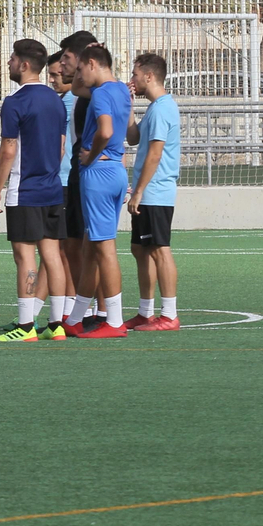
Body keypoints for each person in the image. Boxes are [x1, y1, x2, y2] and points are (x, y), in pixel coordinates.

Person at [0, 39, 70, 343]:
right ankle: (57, 324)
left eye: (12, 59)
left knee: (24, 257)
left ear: (23, 65)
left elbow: (8, 149)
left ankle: (25, 327)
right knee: (52, 256)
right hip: (52, 188)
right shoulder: (56, 100)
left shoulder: (15, 102)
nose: (8, 63)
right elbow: (61, 147)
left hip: (24, 191)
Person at [68, 43, 132, 338]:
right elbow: (75, 88)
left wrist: (91, 155)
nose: (77, 74)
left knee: (104, 249)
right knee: (91, 248)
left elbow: (105, 131)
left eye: (81, 67)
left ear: (92, 64)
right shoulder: (119, 90)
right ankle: (75, 318)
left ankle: (115, 321)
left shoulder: (103, 93)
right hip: (116, 171)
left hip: (99, 174)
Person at [125, 53, 181, 332]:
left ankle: (169, 315)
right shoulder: (155, 108)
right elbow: (133, 138)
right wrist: (128, 106)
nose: (132, 79)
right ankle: (145, 312)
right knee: (140, 249)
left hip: (155, 192)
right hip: (148, 192)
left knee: (159, 249)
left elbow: (155, 155)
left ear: (149, 76)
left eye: (135, 74)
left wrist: (139, 191)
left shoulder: (162, 109)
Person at [55, 30, 98, 324]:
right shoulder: (79, 93)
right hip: (75, 174)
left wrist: (92, 157)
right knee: (71, 244)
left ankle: (104, 311)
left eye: (66, 58)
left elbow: (111, 133)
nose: (60, 66)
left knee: (96, 245)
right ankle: (80, 308)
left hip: (91, 173)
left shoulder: (100, 91)